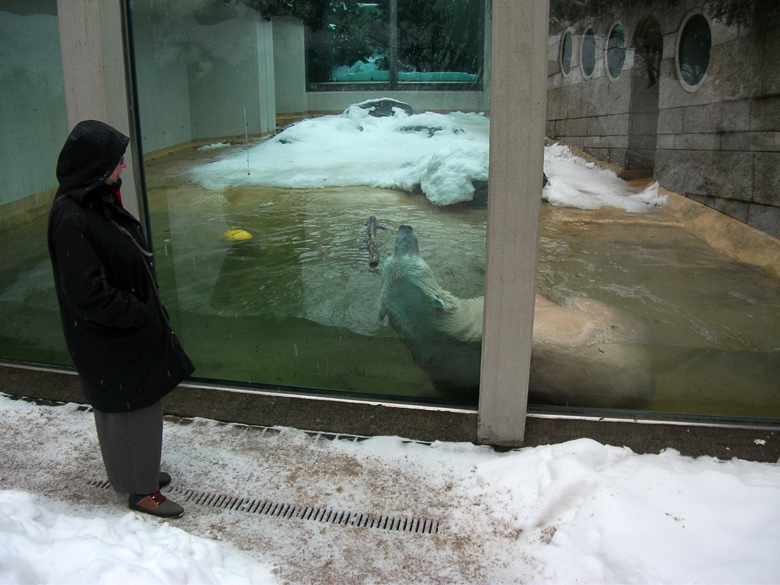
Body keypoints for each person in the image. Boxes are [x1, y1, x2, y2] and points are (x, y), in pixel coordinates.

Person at [47, 120, 195, 519]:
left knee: (128, 411)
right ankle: (141, 491)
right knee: (133, 411)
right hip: (112, 337)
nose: (124, 166)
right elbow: (87, 293)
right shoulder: (72, 216)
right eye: (117, 160)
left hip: (118, 334)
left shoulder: (92, 201)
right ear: (96, 165)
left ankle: (135, 473)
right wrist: (136, 314)